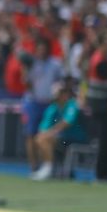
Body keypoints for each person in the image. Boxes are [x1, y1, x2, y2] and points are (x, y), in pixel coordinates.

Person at [28, 81, 87, 181]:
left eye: (63, 92)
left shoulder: (72, 105)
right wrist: (45, 134)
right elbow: (44, 127)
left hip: (75, 138)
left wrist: (50, 133)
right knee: (40, 138)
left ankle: (48, 169)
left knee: (43, 139)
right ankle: (47, 167)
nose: (61, 95)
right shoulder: (53, 107)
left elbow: (67, 122)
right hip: (61, 139)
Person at [23, 42, 63, 176]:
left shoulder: (55, 64)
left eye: (44, 49)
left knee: (44, 134)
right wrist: (26, 69)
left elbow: (60, 82)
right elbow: (26, 83)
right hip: (34, 102)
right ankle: (33, 167)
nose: (41, 52)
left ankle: (44, 166)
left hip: (49, 103)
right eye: (39, 49)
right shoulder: (32, 64)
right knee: (31, 135)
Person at [85, 30, 107, 183]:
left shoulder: (98, 58)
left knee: (105, 140)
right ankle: (102, 173)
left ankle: (103, 172)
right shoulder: (101, 61)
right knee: (105, 141)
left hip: (99, 103)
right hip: (102, 104)